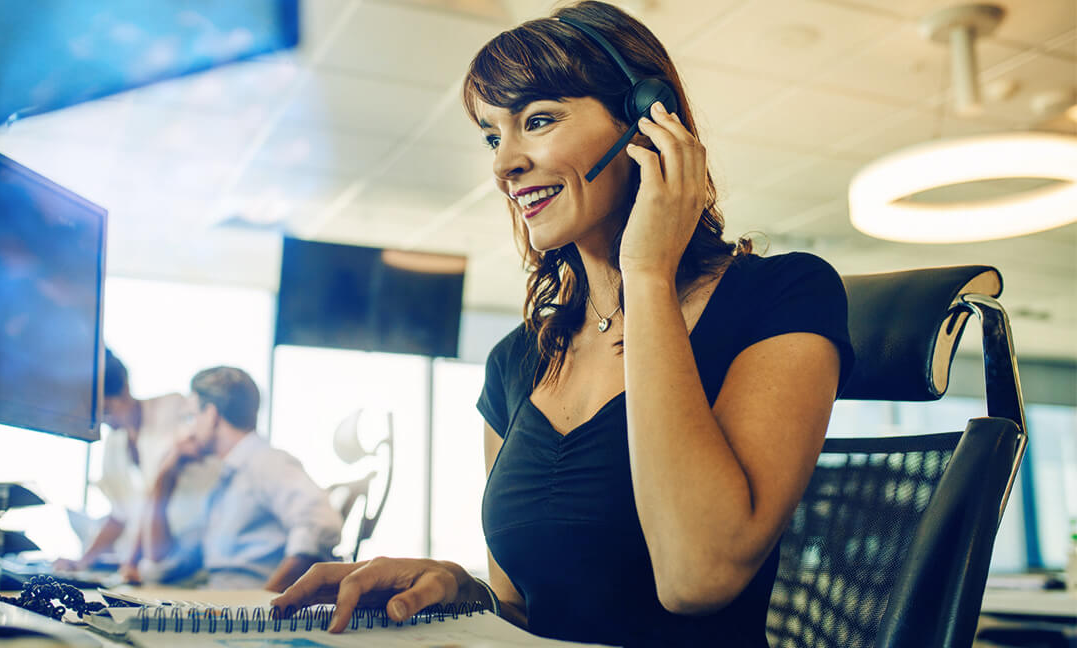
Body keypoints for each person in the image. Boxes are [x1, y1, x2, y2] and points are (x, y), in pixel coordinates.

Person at [271, 2, 855, 646]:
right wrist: (457, 586)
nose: (504, 165)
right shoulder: (515, 360)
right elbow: (525, 610)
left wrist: (648, 274)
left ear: (647, 123)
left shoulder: (784, 294)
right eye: (494, 135)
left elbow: (697, 576)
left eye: (538, 121)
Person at [139, 366, 343, 591]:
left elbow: (321, 525)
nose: (186, 431)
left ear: (211, 415)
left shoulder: (265, 462)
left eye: (190, 417)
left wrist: (266, 605)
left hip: (244, 613)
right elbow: (161, 559)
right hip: (221, 603)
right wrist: (163, 481)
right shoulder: (226, 483)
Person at [56, 348, 218, 583]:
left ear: (125, 389)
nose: (105, 420)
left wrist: (131, 561)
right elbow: (119, 515)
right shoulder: (115, 442)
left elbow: (158, 493)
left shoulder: (174, 410)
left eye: (108, 410)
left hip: (189, 554)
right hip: (148, 565)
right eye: (99, 415)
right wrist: (82, 561)